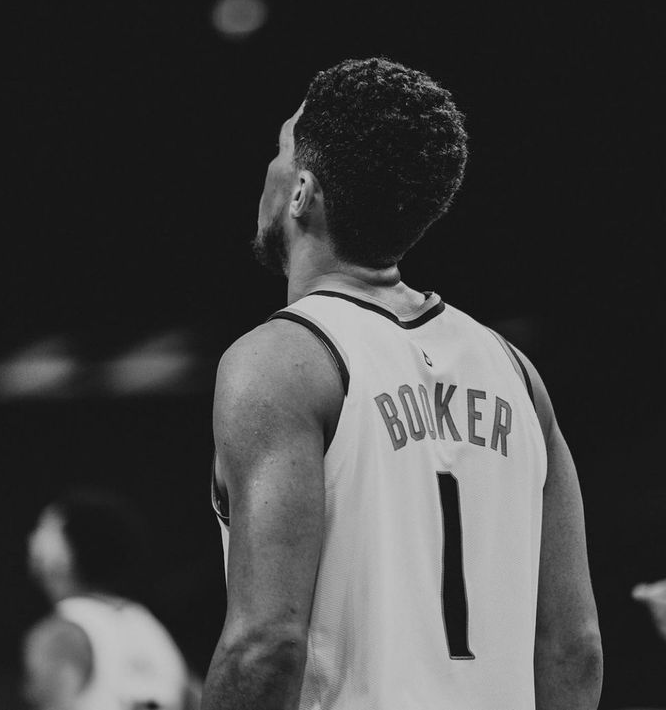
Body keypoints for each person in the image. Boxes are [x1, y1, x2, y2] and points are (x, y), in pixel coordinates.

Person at [204, 57, 603, 709]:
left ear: (302, 191)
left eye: (280, 148)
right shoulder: (515, 371)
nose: (269, 168)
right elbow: (574, 646)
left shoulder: (279, 362)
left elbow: (266, 643)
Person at [24, 487, 202, 710]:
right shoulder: (153, 629)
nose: (31, 537)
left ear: (67, 551)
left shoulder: (62, 635)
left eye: (44, 526)